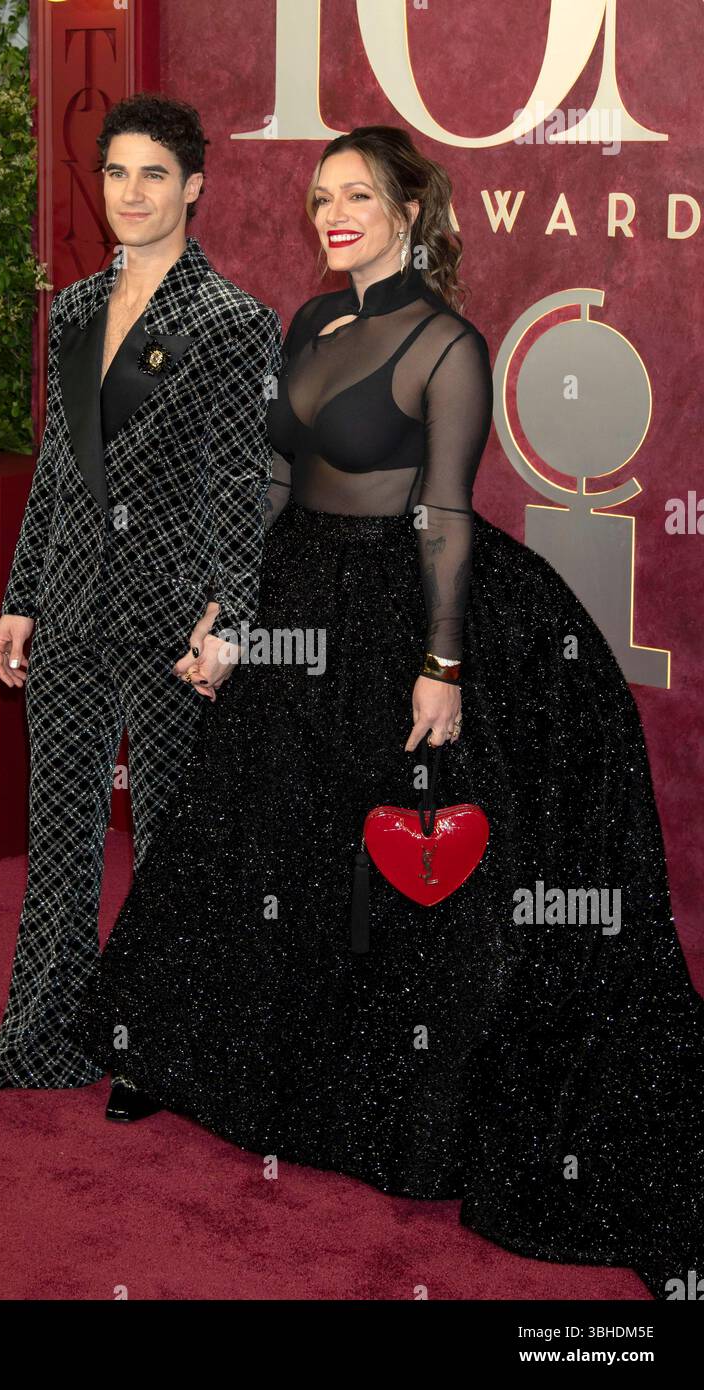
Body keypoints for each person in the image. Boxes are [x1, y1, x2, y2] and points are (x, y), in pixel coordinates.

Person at [70, 126, 704, 1299]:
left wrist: (444, 665)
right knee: (252, 832)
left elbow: (450, 512)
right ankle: (185, 1057)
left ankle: (414, 1117)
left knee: (400, 871)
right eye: (320, 198)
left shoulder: (444, 343)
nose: (334, 215)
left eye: (358, 196)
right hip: (298, 593)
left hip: (399, 605)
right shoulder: (312, 324)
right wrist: (231, 618)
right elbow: (270, 484)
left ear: (413, 208)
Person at [0, 94, 282, 1101]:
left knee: (170, 840)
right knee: (62, 833)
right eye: (117, 173)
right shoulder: (75, 306)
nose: (132, 193)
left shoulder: (233, 321)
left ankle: (160, 1050)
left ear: (195, 187)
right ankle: (42, 1038)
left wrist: (235, 618)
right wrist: (20, 596)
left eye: (154, 175)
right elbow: (56, 470)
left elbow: (237, 479)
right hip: (74, 603)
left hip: (175, 614)